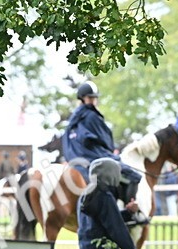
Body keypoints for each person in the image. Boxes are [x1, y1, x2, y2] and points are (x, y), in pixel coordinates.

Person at [62, 82, 144, 218]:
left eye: (94, 98)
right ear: (83, 98)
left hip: (75, 159)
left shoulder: (73, 120)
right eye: (91, 98)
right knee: (134, 176)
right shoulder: (92, 116)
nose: (94, 101)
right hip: (93, 156)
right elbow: (106, 142)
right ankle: (131, 213)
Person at [78, 158, 144, 249]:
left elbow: (104, 219)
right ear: (110, 175)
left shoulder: (86, 194)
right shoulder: (104, 196)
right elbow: (117, 228)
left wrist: (128, 213)